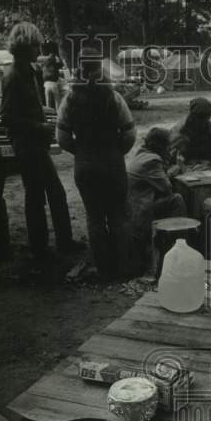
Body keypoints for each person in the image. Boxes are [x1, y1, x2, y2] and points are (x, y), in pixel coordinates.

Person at [0, 21, 83, 260]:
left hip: (35, 142)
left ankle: (49, 245)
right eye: (36, 45)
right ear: (25, 46)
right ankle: (48, 246)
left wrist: (45, 120)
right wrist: (39, 126)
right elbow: (7, 117)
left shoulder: (29, 71)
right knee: (42, 194)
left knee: (44, 193)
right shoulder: (13, 76)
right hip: (26, 144)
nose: (40, 49)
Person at [56, 45, 137, 279]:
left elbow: (62, 138)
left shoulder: (70, 100)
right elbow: (130, 133)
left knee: (94, 217)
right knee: (118, 216)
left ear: (79, 67)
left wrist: (80, 151)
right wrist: (116, 152)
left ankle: (103, 269)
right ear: (101, 66)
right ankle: (122, 267)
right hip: (112, 163)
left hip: (86, 165)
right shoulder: (114, 97)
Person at [125, 127, 186, 275]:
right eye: (168, 146)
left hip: (131, 205)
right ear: (161, 146)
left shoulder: (141, 153)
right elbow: (167, 188)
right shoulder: (153, 160)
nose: (170, 149)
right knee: (177, 199)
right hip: (141, 210)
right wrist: (178, 166)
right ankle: (180, 242)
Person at [169, 97, 211, 170]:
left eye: (207, 117)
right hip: (182, 168)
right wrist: (187, 165)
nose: (204, 121)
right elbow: (170, 157)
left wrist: (206, 163)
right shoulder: (179, 131)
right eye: (200, 118)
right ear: (192, 116)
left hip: (204, 167)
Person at [40, 39, 65, 109]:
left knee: (48, 105)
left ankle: (50, 118)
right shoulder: (54, 61)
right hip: (54, 83)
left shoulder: (44, 62)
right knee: (57, 103)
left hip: (46, 84)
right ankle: (58, 116)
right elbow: (61, 64)